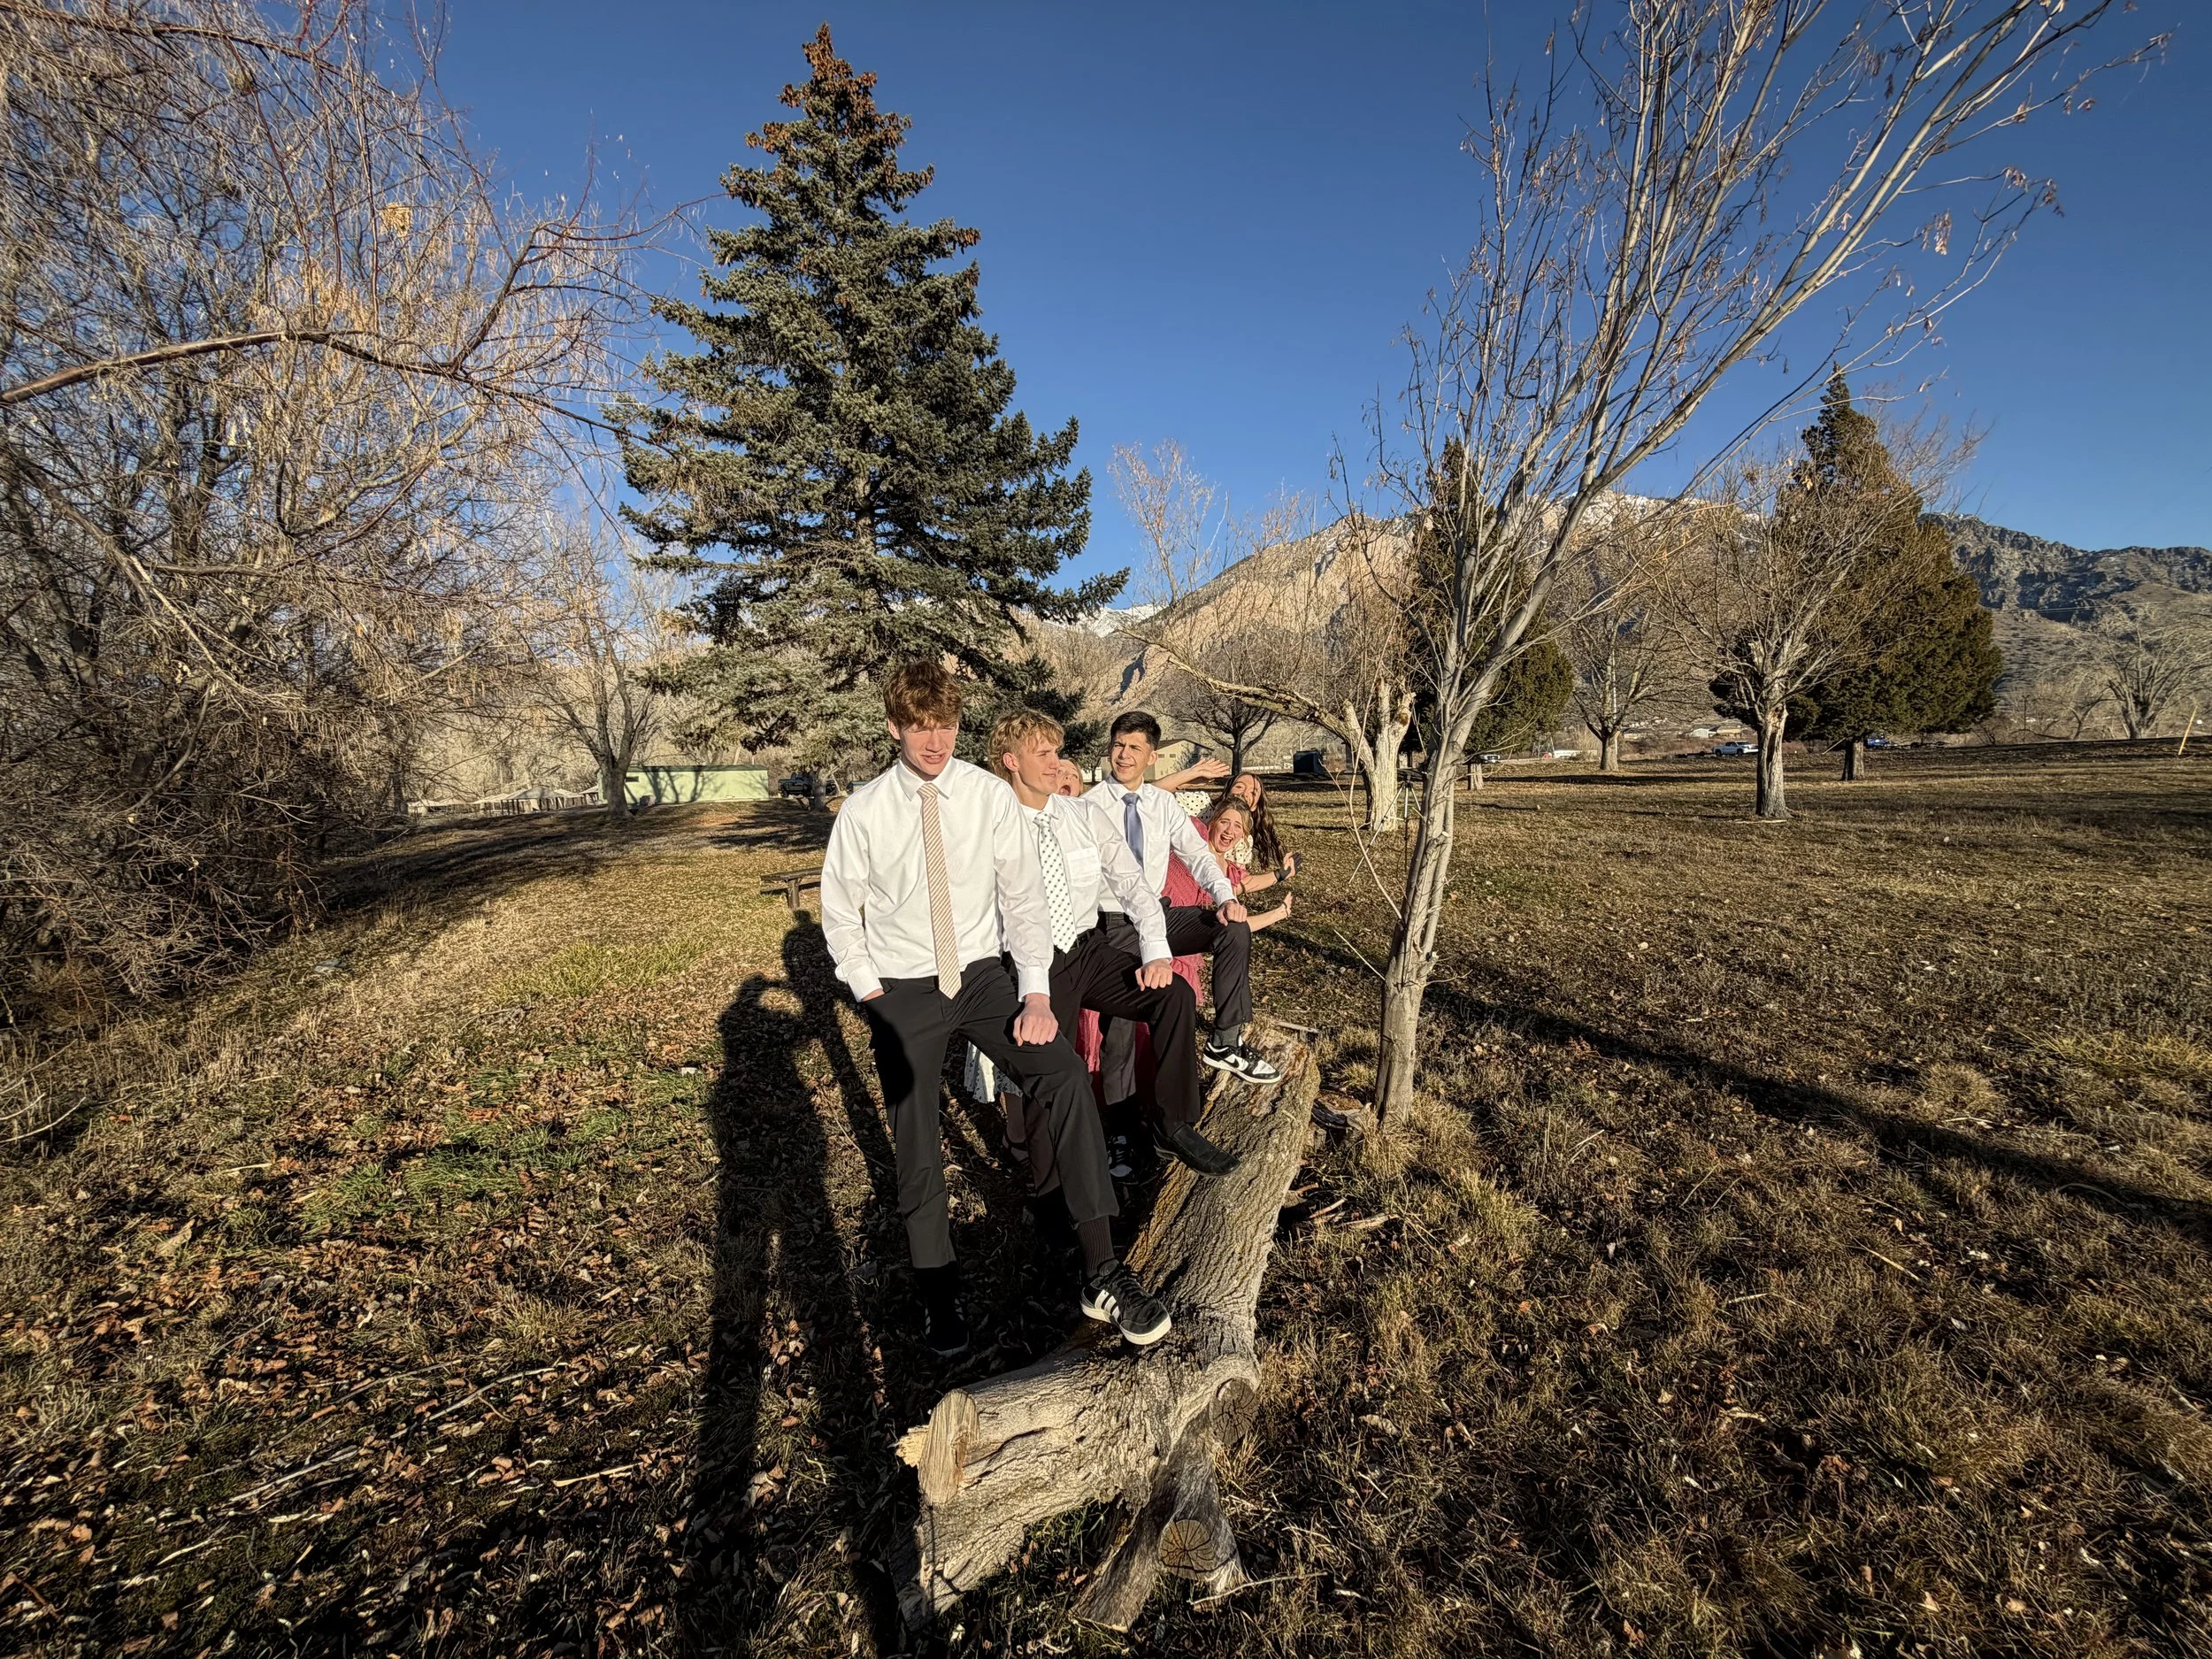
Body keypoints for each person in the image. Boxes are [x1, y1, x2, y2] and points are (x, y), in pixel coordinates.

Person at [819, 662, 1171, 1356]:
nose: (935, 739)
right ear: (894, 726)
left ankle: (1101, 1270)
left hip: (982, 979)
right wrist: (870, 993)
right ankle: (940, 1296)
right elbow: (839, 911)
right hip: (902, 988)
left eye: (946, 724)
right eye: (920, 726)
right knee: (917, 1140)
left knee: (1065, 1075)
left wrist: (1036, 993)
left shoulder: (987, 796)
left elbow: (1023, 898)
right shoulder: (864, 810)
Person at [991, 710, 1239, 1180]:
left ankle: (1172, 1122)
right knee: (1052, 1077)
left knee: (1174, 995)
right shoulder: (993, 824)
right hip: (1033, 963)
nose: (1057, 763)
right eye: (1043, 754)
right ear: (1011, 762)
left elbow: (1133, 884)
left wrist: (1156, 951)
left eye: (1057, 752)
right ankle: (1053, 1188)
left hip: (1088, 948)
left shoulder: (1084, 815)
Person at [1085, 711, 1284, 1100]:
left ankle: (1225, 1041)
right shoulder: (1088, 805)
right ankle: (1120, 1131)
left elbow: (1198, 854)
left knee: (1232, 928)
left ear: (1152, 757)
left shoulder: (1163, 804)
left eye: (1135, 748)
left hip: (1160, 916)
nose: (1124, 755)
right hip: (1113, 924)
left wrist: (1226, 897)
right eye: (1118, 745)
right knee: (1121, 1030)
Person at [1198, 801, 1294, 933]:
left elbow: (1234, 926)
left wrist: (1278, 913)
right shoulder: (1196, 849)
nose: (1229, 830)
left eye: (1238, 826)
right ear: (1212, 823)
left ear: (1243, 834)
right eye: (1224, 822)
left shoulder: (1229, 870)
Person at [1203, 772, 1297, 878]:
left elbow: (1237, 883)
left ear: (1255, 806)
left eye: (1253, 793)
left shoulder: (1244, 841)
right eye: (1239, 787)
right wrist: (1188, 777)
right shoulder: (1201, 804)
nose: (1244, 794)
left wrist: (1279, 875)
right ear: (1227, 791)